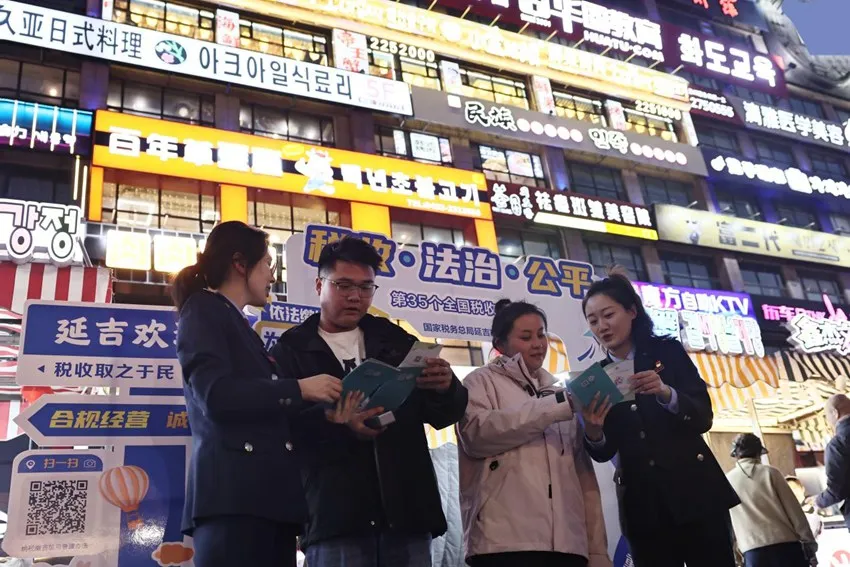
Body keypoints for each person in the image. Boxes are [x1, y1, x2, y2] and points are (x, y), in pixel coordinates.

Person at [270, 236, 468, 567]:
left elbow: (443, 414)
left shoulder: (394, 338)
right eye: (343, 285)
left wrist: (446, 387)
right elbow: (282, 432)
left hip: (407, 514)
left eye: (365, 287)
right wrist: (336, 423)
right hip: (335, 518)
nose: (355, 296)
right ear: (319, 285)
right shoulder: (292, 349)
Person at [173, 221, 354, 567]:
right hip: (233, 502)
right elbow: (216, 395)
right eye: (268, 264)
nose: (272, 276)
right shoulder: (203, 309)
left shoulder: (241, 326)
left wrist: (329, 416)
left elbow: (269, 417)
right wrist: (299, 388)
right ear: (240, 263)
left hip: (268, 503)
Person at [580, 272, 740, 567]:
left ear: (632, 311)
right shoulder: (597, 378)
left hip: (696, 493)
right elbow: (603, 452)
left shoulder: (667, 352)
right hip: (643, 507)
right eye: (593, 320)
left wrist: (667, 393)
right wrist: (593, 431)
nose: (602, 326)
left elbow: (703, 417)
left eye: (608, 315)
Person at [457, 300, 611, 567]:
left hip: (569, 546)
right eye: (526, 337)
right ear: (500, 344)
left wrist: (597, 550)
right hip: (504, 544)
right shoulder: (479, 382)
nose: (538, 344)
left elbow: (583, 476)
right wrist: (555, 407)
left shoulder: (561, 393)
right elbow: (477, 435)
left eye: (541, 335)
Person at [725, 433, 816, 567]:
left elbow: (728, 523)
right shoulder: (771, 473)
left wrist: (736, 556)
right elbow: (794, 511)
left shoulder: (727, 480)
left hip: (753, 553)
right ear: (759, 453)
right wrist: (809, 543)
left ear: (736, 454)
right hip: (787, 549)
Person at [814, 394, 850, 530]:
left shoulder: (838, 444)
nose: (827, 421)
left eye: (826, 416)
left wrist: (818, 501)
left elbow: (837, 490)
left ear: (835, 413)